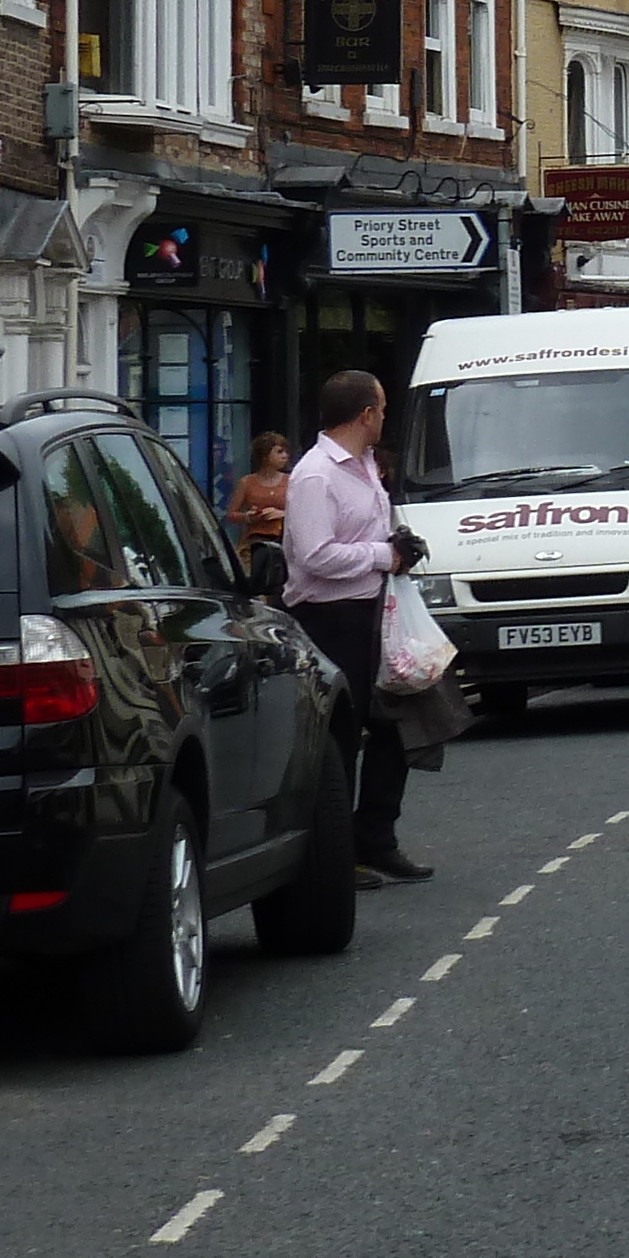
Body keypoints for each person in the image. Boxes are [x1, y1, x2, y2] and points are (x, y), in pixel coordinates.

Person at [283, 370, 432, 886]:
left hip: (375, 610)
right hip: (329, 619)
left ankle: (376, 838)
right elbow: (314, 555)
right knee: (340, 736)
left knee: (398, 720)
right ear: (365, 413)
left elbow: (370, 533)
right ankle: (336, 854)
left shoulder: (367, 465)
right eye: (383, 408)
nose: (385, 417)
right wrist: (382, 555)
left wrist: (401, 544)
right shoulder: (315, 475)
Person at [227, 431, 293, 600]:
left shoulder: (291, 481)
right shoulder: (247, 482)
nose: (285, 456)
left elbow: (305, 511)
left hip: (281, 541)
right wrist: (248, 517)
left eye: (286, 451)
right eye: (279, 452)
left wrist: (282, 514)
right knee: (255, 588)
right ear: (264, 456)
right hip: (253, 543)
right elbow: (231, 515)